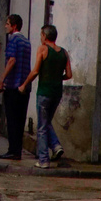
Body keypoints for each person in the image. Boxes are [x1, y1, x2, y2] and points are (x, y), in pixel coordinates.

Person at [17, 24, 72, 169]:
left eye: (41, 35)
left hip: (44, 92)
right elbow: (69, 74)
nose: (40, 38)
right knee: (46, 121)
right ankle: (55, 146)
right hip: (57, 92)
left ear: (45, 36)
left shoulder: (42, 49)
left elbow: (35, 71)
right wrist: (57, 78)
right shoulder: (64, 53)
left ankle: (43, 159)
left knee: (41, 126)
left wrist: (24, 84)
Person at [0, 14, 31, 161]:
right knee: (20, 120)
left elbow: (12, 60)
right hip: (24, 86)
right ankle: (17, 150)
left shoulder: (13, 40)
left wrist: (1, 79)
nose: (5, 26)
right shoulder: (26, 42)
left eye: (8, 23)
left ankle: (12, 150)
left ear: (14, 26)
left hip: (13, 86)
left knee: (11, 119)